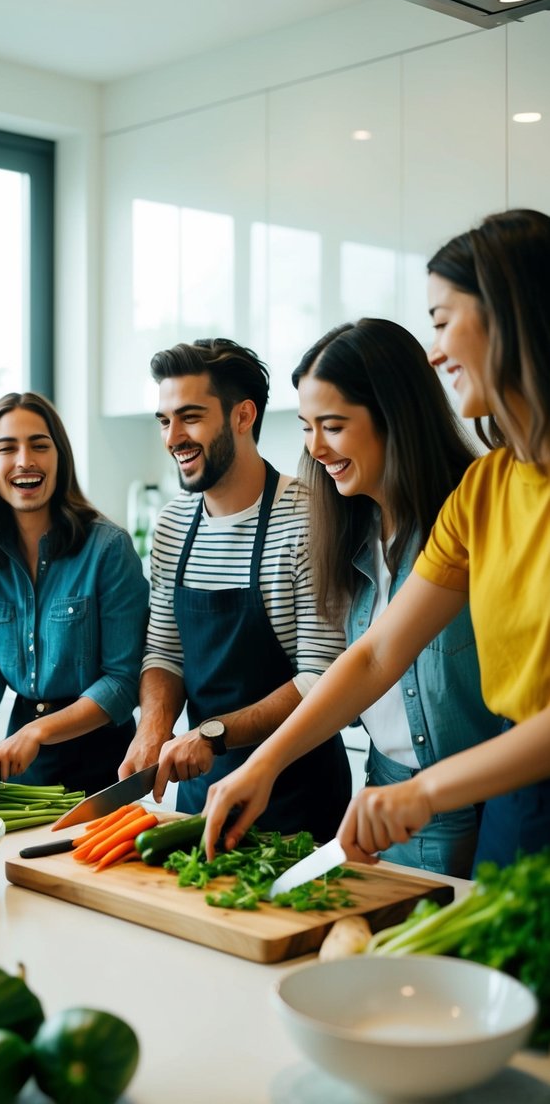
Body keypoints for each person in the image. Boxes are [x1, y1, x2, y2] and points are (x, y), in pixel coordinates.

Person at [202, 209, 550, 872]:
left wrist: (424, 791)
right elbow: (375, 653)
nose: (435, 351)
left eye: (443, 321)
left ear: (510, 313)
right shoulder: (486, 490)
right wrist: (266, 763)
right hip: (513, 803)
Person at [119, 338, 351, 841]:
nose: (173, 437)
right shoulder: (172, 525)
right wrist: (154, 724)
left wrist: (211, 734)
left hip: (296, 795)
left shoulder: (310, 516)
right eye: (164, 420)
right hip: (201, 786)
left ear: (243, 417)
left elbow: (322, 677)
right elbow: (164, 651)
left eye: (190, 417)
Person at [291, 318, 501, 876]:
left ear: (394, 417)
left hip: (481, 816)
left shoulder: (475, 518)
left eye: (332, 425)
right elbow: (364, 664)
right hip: (377, 810)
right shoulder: (348, 538)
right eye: (306, 427)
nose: (315, 448)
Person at [0, 391, 149, 796]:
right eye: (7, 448)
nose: (25, 460)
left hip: (102, 758)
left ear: (60, 458)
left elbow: (122, 681)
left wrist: (38, 732)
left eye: (39, 445)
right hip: (21, 758)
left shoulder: (108, 548)